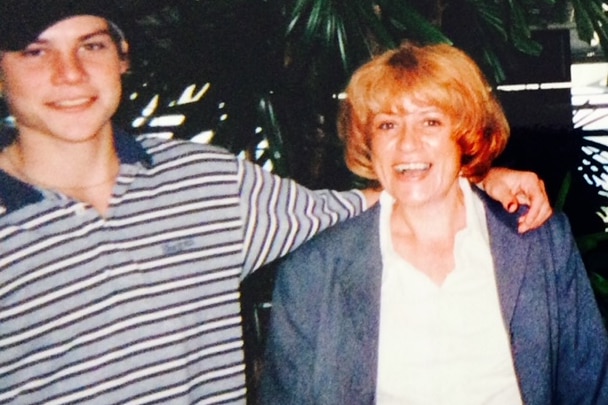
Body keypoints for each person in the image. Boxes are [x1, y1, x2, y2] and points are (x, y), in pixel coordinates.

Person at [0, 1, 551, 403]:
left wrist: (479, 174)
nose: (69, 74)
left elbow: (373, 195)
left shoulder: (208, 182)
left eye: (91, 45)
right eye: (34, 51)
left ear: (122, 56)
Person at [259, 42, 608, 404]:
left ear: (465, 135)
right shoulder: (313, 273)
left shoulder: (539, 243)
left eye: (430, 121)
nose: (407, 144)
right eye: (387, 125)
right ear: (368, 142)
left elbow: (591, 387)